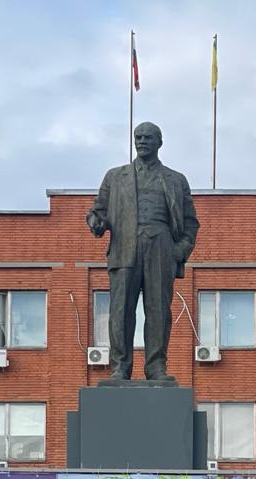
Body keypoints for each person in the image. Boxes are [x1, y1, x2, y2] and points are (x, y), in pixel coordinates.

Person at [86, 121, 199, 383]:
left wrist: (179, 251)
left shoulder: (175, 179)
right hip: (125, 247)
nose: (142, 141)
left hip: (161, 247)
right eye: (138, 137)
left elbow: (190, 222)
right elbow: (97, 211)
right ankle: (120, 367)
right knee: (121, 310)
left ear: (159, 142)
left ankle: (156, 366)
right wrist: (95, 222)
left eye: (148, 137)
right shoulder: (115, 177)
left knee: (158, 309)